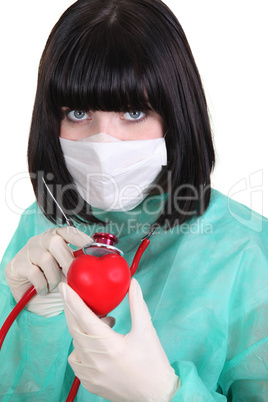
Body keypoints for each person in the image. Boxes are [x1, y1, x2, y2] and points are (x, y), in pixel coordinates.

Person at [0, 0, 267, 400]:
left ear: (176, 116)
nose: (104, 142)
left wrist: (166, 393)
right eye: (76, 112)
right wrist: (36, 323)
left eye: (132, 112)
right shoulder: (38, 229)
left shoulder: (246, 249)